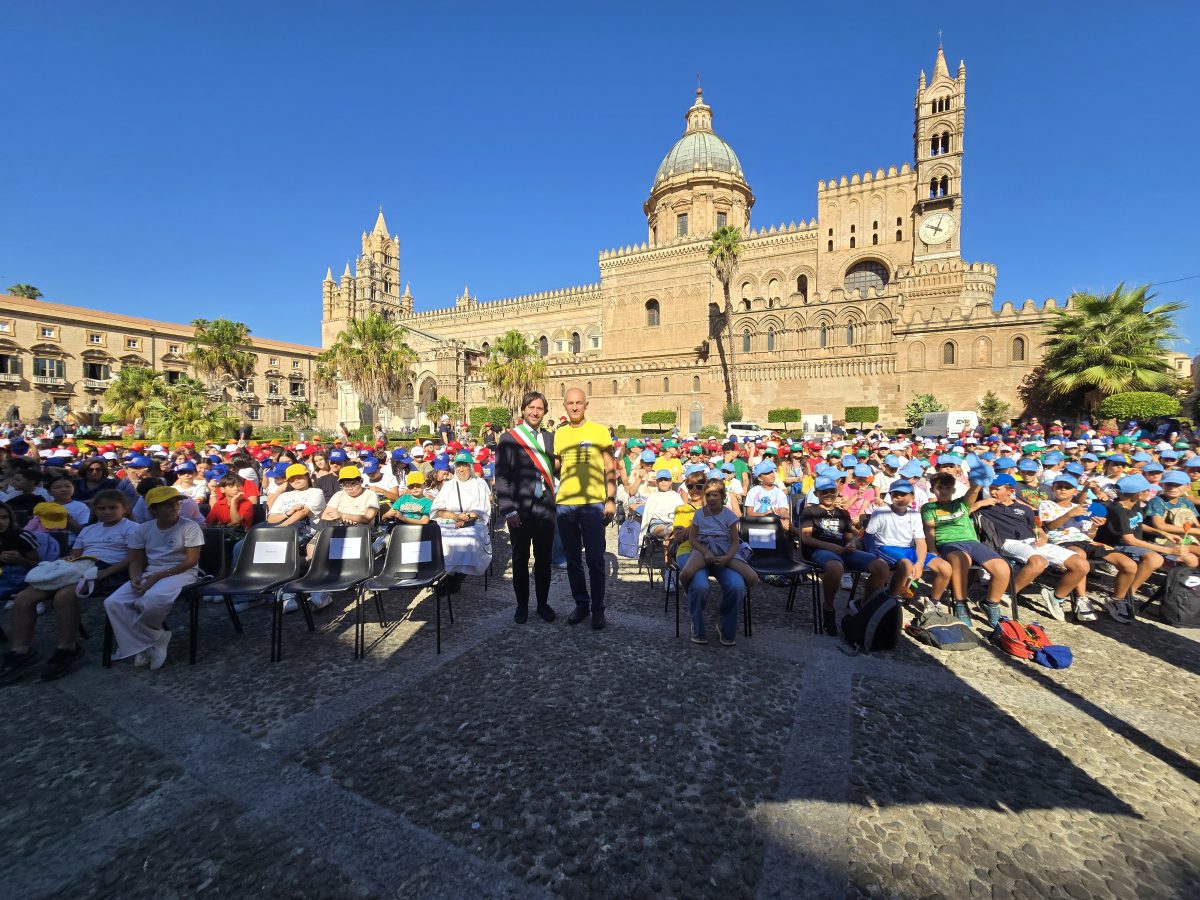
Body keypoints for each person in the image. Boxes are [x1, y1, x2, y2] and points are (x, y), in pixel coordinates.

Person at [1, 490, 135, 682]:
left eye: (112, 508)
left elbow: (133, 557)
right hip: (83, 565)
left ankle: (67, 647)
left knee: (64, 595)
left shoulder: (132, 528)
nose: (106, 512)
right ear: (95, 510)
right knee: (24, 598)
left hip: (110, 570)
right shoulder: (89, 530)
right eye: (101, 508)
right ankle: (21, 650)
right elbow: (76, 554)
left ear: (125, 508)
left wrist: (105, 572)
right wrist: (68, 560)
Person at [103, 486, 203, 670]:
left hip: (182, 573)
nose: (173, 506)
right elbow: (136, 560)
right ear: (153, 509)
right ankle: (153, 639)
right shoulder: (142, 530)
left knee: (152, 599)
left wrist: (157, 577)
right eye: (166, 504)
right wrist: (135, 578)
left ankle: (141, 642)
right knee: (113, 602)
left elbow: (191, 561)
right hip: (151, 572)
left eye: (175, 502)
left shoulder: (189, 526)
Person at [974, 473, 1091, 622]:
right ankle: (1008, 595)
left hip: (1032, 542)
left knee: (1081, 564)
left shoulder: (1025, 509)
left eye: (997, 489)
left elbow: (1038, 529)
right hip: (1007, 542)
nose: (993, 492)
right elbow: (962, 514)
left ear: (1010, 491)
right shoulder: (985, 508)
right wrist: (978, 504)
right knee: (1038, 562)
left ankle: (1056, 597)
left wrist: (1042, 537)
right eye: (991, 488)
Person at [553, 387, 616, 629]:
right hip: (566, 503)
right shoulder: (560, 434)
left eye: (579, 402)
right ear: (565, 406)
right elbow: (556, 466)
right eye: (570, 403)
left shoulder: (599, 431)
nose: (575, 407)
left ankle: (598, 609)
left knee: (595, 559)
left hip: (592, 503)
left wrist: (610, 499)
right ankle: (582, 604)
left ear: (586, 405)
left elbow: (609, 468)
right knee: (572, 560)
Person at [800, 476, 891, 636]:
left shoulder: (843, 513)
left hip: (842, 550)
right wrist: (831, 547)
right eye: (824, 492)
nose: (829, 494)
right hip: (818, 549)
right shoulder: (810, 511)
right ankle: (828, 607)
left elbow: (848, 535)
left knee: (881, 566)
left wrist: (852, 544)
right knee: (835, 567)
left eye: (832, 491)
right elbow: (806, 538)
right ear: (817, 493)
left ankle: (862, 605)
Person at [495, 391, 557, 623]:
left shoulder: (550, 438)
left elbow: (557, 468)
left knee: (544, 559)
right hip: (519, 510)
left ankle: (542, 604)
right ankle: (522, 606)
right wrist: (508, 509)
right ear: (523, 410)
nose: (534, 412)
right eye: (530, 407)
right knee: (520, 559)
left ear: (544, 412)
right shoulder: (509, 438)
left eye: (539, 408)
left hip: (546, 508)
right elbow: (501, 477)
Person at [921, 472, 1012, 628]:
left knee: (1002, 568)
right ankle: (961, 602)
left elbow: (974, 492)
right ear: (932, 490)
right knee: (961, 560)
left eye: (947, 488)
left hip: (971, 542)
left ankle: (991, 603)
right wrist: (933, 549)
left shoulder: (962, 503)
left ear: (953, 490)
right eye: (939, 488)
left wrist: (977, 479)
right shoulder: (929, 507)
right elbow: (929, 531)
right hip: (947, 543)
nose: (943, 491)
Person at [678, 480, 758, 646]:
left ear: (722, 496)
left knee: (751, 578)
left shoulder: (729, 515)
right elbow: (693, 538)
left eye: (715, 494)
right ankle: (689, 594)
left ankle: (724, 614)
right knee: (686, 574)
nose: (712, 498)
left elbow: (735, 541)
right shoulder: (700, 513)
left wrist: (728, 557)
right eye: (708, 495)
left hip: (724, 549)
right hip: (703, 548)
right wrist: (705, 551)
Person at [865, 479, 952, 607]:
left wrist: (920, 562)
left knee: (945, 568)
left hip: (908, 549)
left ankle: (933, 602)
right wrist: (872, 556)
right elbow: (869, 536)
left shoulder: (915, 515)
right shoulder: (880, 512)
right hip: (884, 547)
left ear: (912, 497)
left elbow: (920, 541)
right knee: (907, 565)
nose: (898, 497)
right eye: (895, 494)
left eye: (903, 494)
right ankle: (890, 599)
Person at [431, 451, 493, 588]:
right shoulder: (448, 485)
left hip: (473, 522)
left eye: (464, 465)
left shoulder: (480, 484)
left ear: (470, 466)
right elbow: (437, 510)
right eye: (458, 465)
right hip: (450, 521)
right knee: (438, 540)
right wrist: (455, 516)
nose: (461, 469)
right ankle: (445, 574)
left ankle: (458, 574)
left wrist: (466, 518)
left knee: (468, 540)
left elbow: (482, 509)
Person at [0, 500, 40, 605]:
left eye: (4, 517)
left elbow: (36, 565)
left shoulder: (22, 536)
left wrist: (19, 559)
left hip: (18, 576)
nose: (1, 522)